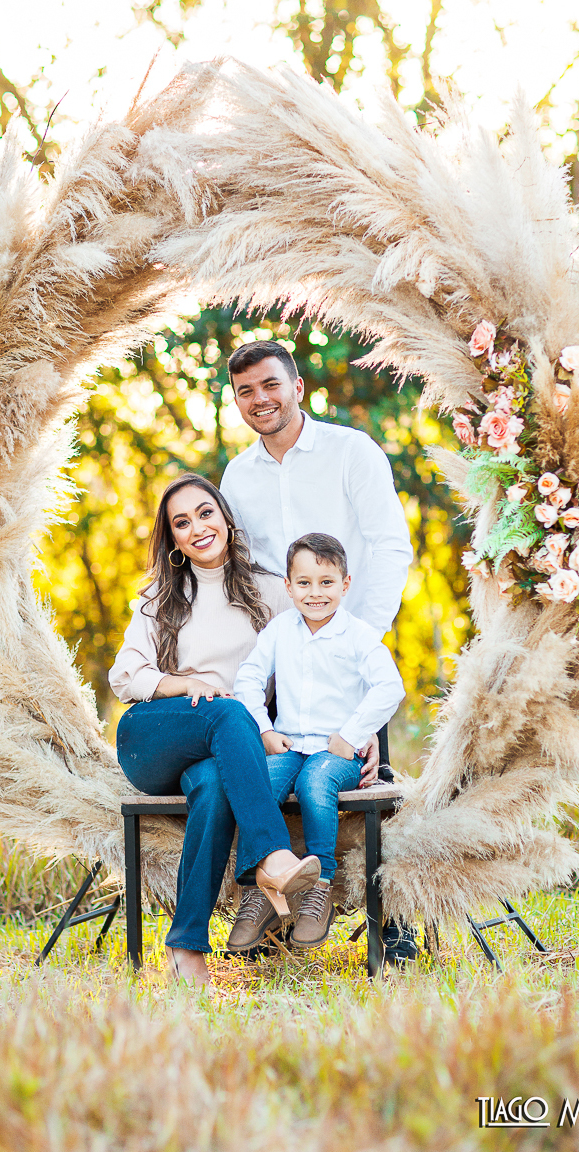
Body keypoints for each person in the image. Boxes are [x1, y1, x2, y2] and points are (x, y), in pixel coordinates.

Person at [109, 472, 322, 990]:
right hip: (155, 738)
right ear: (173, 539)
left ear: (225, 517)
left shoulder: (270, 592)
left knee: (215, 784)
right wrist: (185, 684)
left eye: (205, 513)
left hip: (224, 750)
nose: (198, 528)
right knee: (228, 712)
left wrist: (354, 735)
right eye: (182, 523)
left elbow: (315, 669)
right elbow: (124, 676)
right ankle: (272, 856)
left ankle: (185, 948)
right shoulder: (162, 595)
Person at [229, 533, 405, 952]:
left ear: (345, 584)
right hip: (289, 744)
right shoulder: (280, 631)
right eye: (304, 583)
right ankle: (260, 889)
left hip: (335, 753)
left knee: (314, 783)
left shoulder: (357, 634)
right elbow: (247, 679)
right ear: (288, 587)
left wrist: (351, 735)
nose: (315, 593)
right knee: (260, 784)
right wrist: (264, 730)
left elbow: (390, 687)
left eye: (326, 582)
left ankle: (320, 887)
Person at [220, 339, 413, 638]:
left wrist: (366, 636)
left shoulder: (352, 451)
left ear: (298, 388)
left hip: (350, 642)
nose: (260, 399)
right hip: (276, 649)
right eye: (246, 391)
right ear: (237, 403)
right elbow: (238, 567)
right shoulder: (236, 476)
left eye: (271, 385)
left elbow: (391, 545)